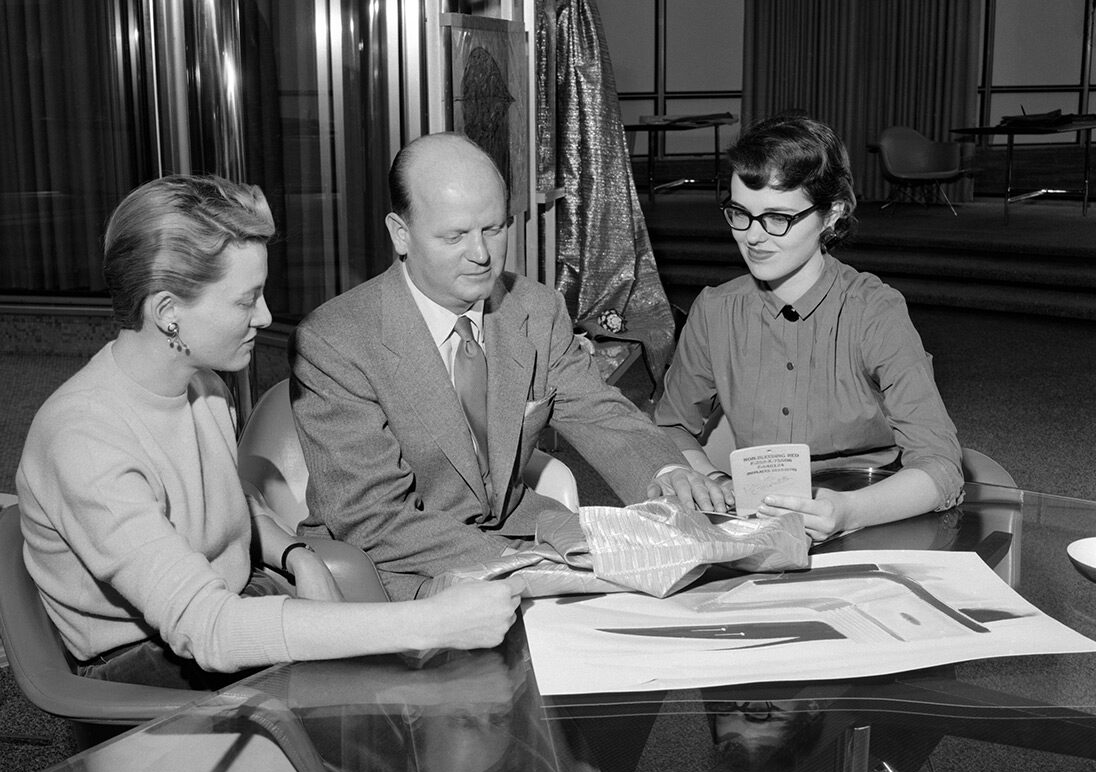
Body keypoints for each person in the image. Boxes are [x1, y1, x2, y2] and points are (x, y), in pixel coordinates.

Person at [16, 174, 524, 691]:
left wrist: (294, 554)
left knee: (426, 697)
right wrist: (432, 623)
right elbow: (208, 629)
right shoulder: (83, 437)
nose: (265, 316)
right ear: (168, 313)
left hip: (229, 608)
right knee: (409, 701)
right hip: (142, 671)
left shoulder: (205, 388)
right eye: (245, 300)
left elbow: (228, 503)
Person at [289, 132, 708, 601]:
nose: (482, 254)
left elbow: (597, 410)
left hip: (522, 533)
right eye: (455, 236)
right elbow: (373, 519)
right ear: (400, 233)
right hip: (396, 569)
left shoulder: (535, 307)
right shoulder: (334, 341)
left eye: (494, 229)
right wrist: (527, 569)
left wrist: (666, 471)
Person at [654, 114, 964, 540]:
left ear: (832, 215)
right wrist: (710, 479)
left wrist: (850, 511)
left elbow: (942, 467)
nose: (753, 237)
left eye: (778, 218)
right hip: (757, 516)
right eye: (739, 213)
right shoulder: (715, 310)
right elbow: (670, 424)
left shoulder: (873, 310)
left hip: (870, 505)